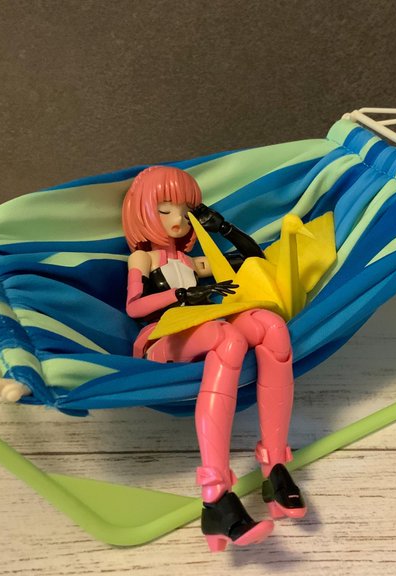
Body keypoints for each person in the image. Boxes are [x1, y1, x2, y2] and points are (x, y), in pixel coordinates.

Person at [122, 165, 306, 552]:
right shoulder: (142, 259)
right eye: (165, 210)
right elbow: (135, 306)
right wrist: (182, 295)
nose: (177, 219)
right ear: (144, 212)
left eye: (185, 210)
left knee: (272, 326)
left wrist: (223, 227)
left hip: (202, 325)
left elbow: (254, 259)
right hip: (161, 337)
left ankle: (275, 466)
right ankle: (216, 496)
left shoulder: (191, 262)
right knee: (228, 337)